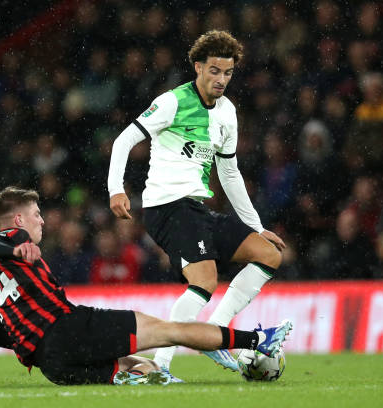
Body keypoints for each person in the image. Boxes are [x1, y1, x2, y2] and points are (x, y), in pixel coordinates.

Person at [107, 30, 290, 376]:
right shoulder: (173, 102)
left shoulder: (227, 113)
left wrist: (256, 226)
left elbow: (230, 173)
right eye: (215, 71)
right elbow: (124, 139)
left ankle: (216, 335)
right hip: (167, 207)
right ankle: (160, 366)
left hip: (197, 208)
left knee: (268, 254)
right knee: (204, 282)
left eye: (228, 73)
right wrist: (116, 189)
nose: (222, 79)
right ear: (198, 67)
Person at [0, 186, 292, 386]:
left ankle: (157, 377)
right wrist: (14, 247)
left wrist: (35, 344)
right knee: (171, 331)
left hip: (52, 365)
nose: (41, 221)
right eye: (36, 215)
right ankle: (259, 340)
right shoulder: (13, 241)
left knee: (141, 367)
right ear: (17, 221)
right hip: (71, 329)